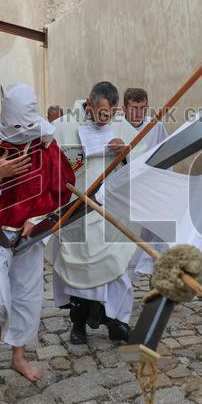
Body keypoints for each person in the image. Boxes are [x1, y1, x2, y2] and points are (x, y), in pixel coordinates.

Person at [0, 83, 74, 381]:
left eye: (28, 126)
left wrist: (42, 216)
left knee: (26, 299)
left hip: (28, 237)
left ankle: (18, 356)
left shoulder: (45, 144)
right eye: (18, 126)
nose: (24, 132)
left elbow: (61, 187)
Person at [50, 81, 139, 344]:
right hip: (76, 213)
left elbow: (143, 161)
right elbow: (50, 166)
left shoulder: (123, 127)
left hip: (111, 215)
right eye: (100, 114)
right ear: (88, 104)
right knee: (77, 273)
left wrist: (126, 153)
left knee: (118, 268)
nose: (105, 120)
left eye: (109, 115)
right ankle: (78, 325)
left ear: (116, 109)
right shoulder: (63, 127)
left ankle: (118, 323)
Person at [121, 87, 170, 281]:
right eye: (134, 108)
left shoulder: (155, 127)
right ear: (124, 109)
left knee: (161, 231)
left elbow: (166, 155)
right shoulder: (116, 128)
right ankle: (124, 279)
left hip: (150, 189)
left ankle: (157, 276)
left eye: (142, 108)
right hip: (124, 193)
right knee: (125, 239)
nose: (138, 113)